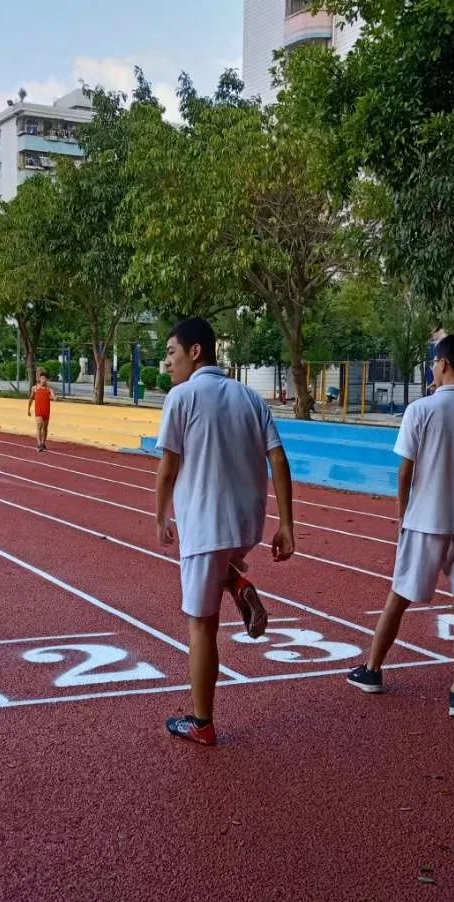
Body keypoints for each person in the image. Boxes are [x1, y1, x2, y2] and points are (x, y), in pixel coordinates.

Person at [155, 317, 295, 746]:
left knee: (202, 626)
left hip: (204, 524)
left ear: (196, 351)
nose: (167, 363)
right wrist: (287, 524)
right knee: (222, 562)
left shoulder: (182, 398)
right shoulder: (250, 396)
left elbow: (168, 466)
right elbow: (279, 459)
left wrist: (161, 515)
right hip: (244, 525)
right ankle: (237, 579)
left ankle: (202, 722)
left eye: (172, 353)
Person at [346, 333, 454, 718]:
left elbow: (405, 470)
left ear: (444, 364)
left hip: (425, 519)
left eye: (434, 362)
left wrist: (403, 514)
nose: (432, 367)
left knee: (398, 597)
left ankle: (373, 670)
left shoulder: (420, 410)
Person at [28, 370, 53, 451]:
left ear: (47, 380)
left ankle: (43, 443)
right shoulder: (35, 388)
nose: (43, 380)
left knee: (45, 427)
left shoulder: (49, 389)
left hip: (46, 410)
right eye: (42, 378)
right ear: (39, 379)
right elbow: (31, 398)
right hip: (38, 411)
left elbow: (53, 396)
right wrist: (28, 409)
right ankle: (39, 444)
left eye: (45, 379)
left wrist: (54, 397)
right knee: (39, 426)